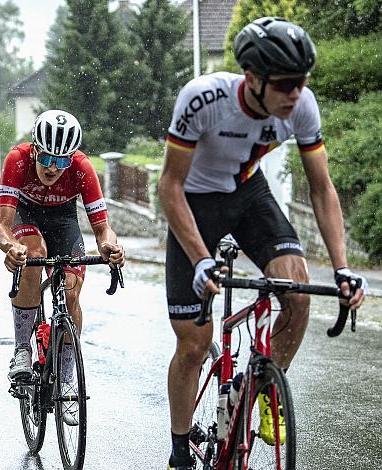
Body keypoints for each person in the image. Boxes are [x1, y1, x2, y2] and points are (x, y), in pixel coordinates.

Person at [157, 17, 368, 469]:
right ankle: (179, 447)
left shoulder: (302, 107)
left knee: (297, 289)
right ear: (252, 79)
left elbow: (322, 189)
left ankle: (267, 387)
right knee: (194, 344)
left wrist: (343, 267)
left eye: (303, 82)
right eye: (287, 84)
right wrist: (199, 259)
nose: (296, 94)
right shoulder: (204, 98)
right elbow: (168, 187)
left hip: (249, 194)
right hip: (195, 200)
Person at [0, 110, 125, 424]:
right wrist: (11, 247)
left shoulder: (81, 168)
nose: (54, 167)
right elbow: (1, 225)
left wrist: (110, 245)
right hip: (26, 217)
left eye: (62, 160)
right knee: (32, 254)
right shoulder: (18, 160)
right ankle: (22, 349)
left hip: (63, 220)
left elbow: (103, 228)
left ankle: (66, 377)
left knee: (71, 287)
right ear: (36, 150)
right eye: (48, 159)